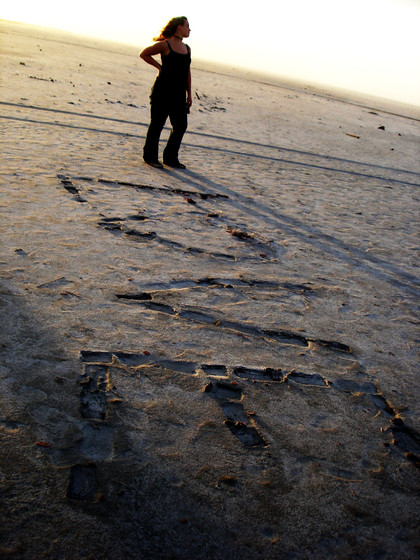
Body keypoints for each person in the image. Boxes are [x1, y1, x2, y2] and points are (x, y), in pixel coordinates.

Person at [140, 16, 192, 169]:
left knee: (181, 125)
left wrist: (189, 93)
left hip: (179, 94)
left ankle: (170, 158)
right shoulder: (165, 44)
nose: (189, 29)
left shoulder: (187, 49)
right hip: (162, 90)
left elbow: (187, 72)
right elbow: (144, 54)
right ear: (179, 27)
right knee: (157, 124)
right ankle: (150, 157)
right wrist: (159, 67)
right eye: (187, 26)